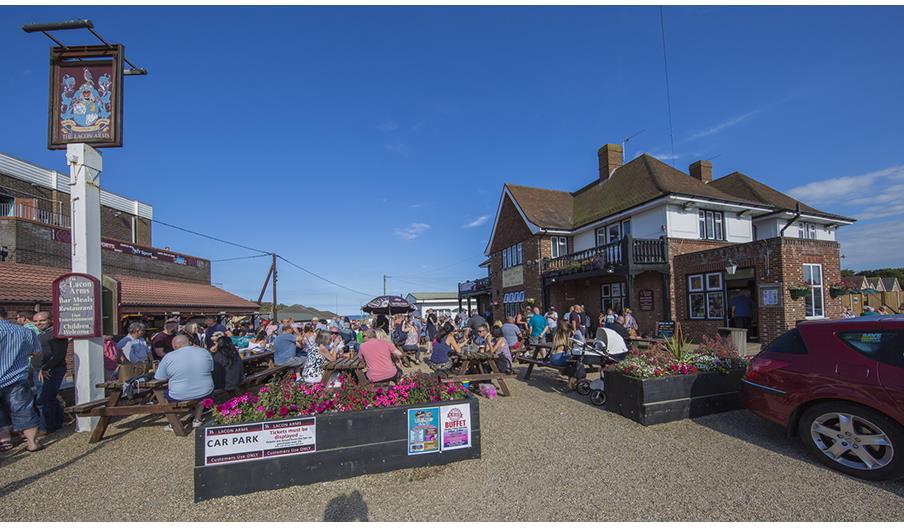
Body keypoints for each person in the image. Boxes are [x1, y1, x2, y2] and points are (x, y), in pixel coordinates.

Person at [0, 306, 43, 452]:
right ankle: (32, 442)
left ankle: (4, 442)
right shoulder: (26, 331)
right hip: (17, 377)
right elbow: (37, 352)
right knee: (23, 408)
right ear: (6, 314)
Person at [154, 335, 213, 430]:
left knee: (164, 393)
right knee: (202, 389)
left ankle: (174, 422)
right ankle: (197, 419)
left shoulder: (169, 356)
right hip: (205, 390)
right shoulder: (204, 352)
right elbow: (211, 369)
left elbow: (160, 378)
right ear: (188, 342)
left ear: (174, 346)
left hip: (179, 394)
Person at [32, 312, 68, 435]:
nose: (38, 323)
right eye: (35, 321)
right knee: (50, 397)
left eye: (41, 321)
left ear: (50, 320)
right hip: (43, 369)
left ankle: (46, 427)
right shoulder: (44, 334)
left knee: (43, 398)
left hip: (48, 370)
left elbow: (58, 354)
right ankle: (56, 423)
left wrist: (45, 368)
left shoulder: (55, 334)